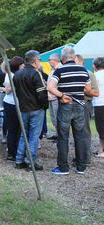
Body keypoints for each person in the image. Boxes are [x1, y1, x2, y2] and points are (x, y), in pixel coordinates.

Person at [48, 46, 91, 175]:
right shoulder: (83, 70)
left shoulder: (60, 70)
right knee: (80, 136)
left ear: (63, 58)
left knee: (63, 137)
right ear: (74, 57)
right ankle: (81, 167)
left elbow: (50, 87)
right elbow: (88, 89)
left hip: (65, 106)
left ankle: (63, 168)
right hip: (80, 106)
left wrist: (61, 95)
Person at [13, 50, 48, 171]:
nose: (40, 62)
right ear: (35, 60)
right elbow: (41, 93)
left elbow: (17, 93)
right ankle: (30, 161)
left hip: (23, 108)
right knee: (34, 136)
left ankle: (19, 160)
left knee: (24, 134)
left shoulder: (17, 74)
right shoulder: (35, 73)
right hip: (35, 109)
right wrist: (45, 106)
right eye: (40, 59)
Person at [75, 54, 99, 164]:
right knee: (76, 132)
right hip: (73, 104)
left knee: (84, 131)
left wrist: (80, 88)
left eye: (74, 62)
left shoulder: (89, 74)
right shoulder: (72, 73)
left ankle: (86, 159)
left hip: (85, 103)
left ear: (81, 62)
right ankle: (79, 156)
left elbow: (95, 92)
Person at [0, 56, 24, 161]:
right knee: (13, 129)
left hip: (18, 104)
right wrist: (11, 86)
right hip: (11, 104)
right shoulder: (10, 75)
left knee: (18, 129)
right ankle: (11, 153)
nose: (23, 66)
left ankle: (17, 151)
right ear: (18, 65)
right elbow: (8, 91)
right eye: (22, 64)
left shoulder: (18, 74)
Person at [92, 57, 104, 158]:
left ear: (95, 66)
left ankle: (101, 151)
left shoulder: (94, 76)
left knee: (101, 128)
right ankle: (101, 149)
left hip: (99, 103)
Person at [47, 53, 61, 140]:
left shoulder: (60, 69)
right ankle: (57, 133)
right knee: (53, 117)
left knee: (57, 117)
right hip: (51, 97)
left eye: (49, 60)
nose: (48, 62)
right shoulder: (52, 70)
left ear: (54, 60)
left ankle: (60, 136)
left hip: (56, 97)